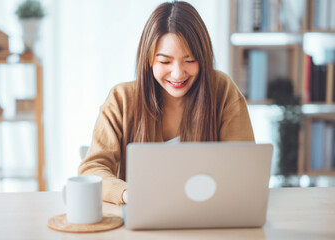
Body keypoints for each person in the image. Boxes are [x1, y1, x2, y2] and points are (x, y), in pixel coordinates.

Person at [79, 1, 254, 205]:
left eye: (190, 60)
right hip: (144, 215)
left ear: (204, 59)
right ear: (149, 59)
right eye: (165, 62)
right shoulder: (121, 99)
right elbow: (93, 168)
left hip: (208, 215)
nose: (178, 73)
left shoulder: (223, 91)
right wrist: (127, 193)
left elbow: (244, 166)